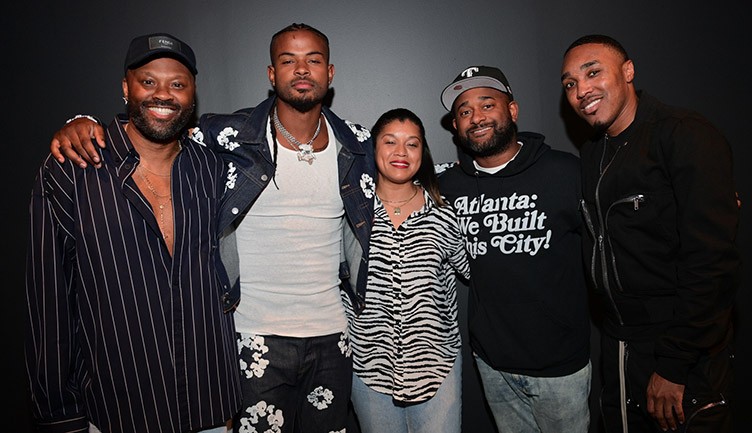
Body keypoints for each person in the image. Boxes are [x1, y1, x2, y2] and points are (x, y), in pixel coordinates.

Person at [49, 23, 375, 433]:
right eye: (288, 61)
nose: (302, 70)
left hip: (332, 335)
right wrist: (81, 122)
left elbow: (405, 177)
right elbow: (156, 124)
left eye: (313, 60)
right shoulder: (226, 136)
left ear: (330, 73)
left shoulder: (359, 143)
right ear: (272, 75)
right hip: (252, 337)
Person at [25, 33, 240, 433]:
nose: (163, 94)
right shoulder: (72, 169)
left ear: (193, 95)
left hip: (210, 408)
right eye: (148, 81)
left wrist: (226, 399)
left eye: (177, 84)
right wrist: (60, 417)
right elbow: (48, 302)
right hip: (119, 413)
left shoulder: (212, 170)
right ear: (125, 88)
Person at [560, 35, 740, 433]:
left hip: (681, 350)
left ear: (628, 72)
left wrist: (675, 364)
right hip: (620, 343)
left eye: (593, 72)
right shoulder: (593, 152)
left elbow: (712, 264)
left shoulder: (684, 135)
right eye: (570, 83)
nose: (581, 90)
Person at [436, 66, 592, 433]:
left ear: (513, 110)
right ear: (456, 126)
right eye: (464, 111)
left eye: (487, 104)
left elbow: (619, 229)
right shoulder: (446, 188)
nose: (476, 118)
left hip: (560, 366)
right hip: (493, 364)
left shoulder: (565, 172)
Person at [348, 108, 469, 433]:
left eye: (412, 144)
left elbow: (475, 270)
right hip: (370, 368)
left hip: (437, 366)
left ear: (422, 152)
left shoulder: (445, 214)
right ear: (374, 149)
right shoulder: (351, 214)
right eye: (390, 142)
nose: (401, 152)